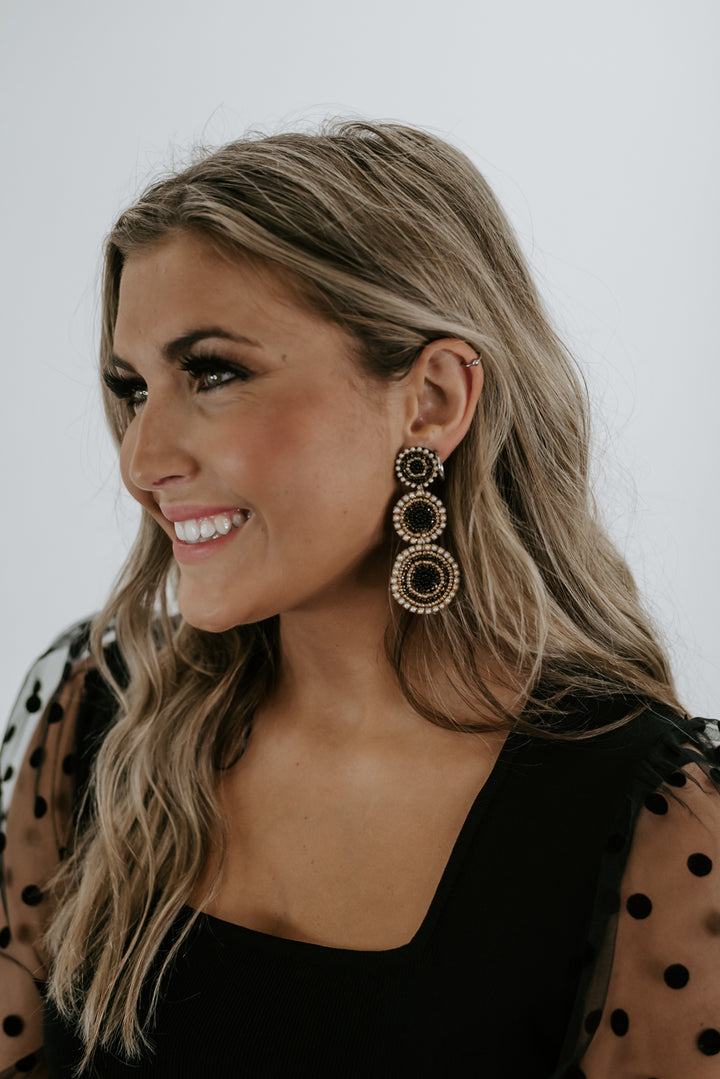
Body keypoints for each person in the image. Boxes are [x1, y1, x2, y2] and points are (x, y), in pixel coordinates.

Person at [0, 121, 718, 1079]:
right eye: (134, 388)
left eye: (213, 373)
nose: (141, 459)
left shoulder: (654, 822)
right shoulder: (94, 711)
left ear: (432, 400)